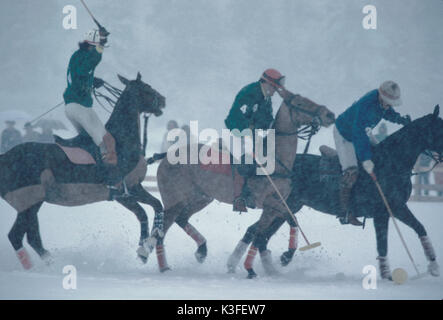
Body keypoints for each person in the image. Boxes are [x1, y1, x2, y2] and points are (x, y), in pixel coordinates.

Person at [334, 81, 411, 226]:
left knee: (382, 155)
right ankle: (344, 212)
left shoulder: (382, 103)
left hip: (364, 131)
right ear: (381, 96)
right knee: (351, 171)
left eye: (391, 103)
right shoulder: (366, 105)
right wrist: (366, 159)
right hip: (345, 133)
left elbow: (387, 112)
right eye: (388, 102)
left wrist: (399, 119)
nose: (389, 105)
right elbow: (358, 135)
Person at [224, 69, 288, 212]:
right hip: (235, 131)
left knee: (269, 155)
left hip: (254, 134)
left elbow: (267, 120)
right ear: (266, 83)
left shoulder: (266, 98)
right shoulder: (249, 92)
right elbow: (237, 118)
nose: (275, 91)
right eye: (274, 87)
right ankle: (239, 198)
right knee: (246, 160)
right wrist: (248, 139)